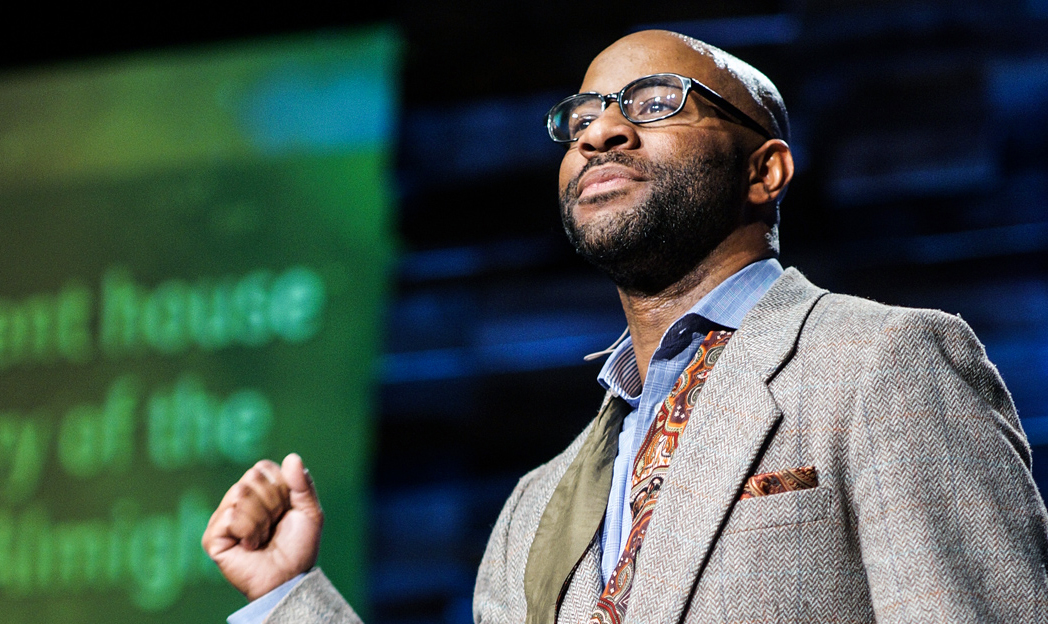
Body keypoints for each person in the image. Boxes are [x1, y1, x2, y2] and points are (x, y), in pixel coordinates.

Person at [202, 30, 1048, 623]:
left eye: (655, 101)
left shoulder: (883, 362)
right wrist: (288, 597)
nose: (602, 129)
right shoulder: (538, 504)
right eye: (582, 119)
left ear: (765, 170)